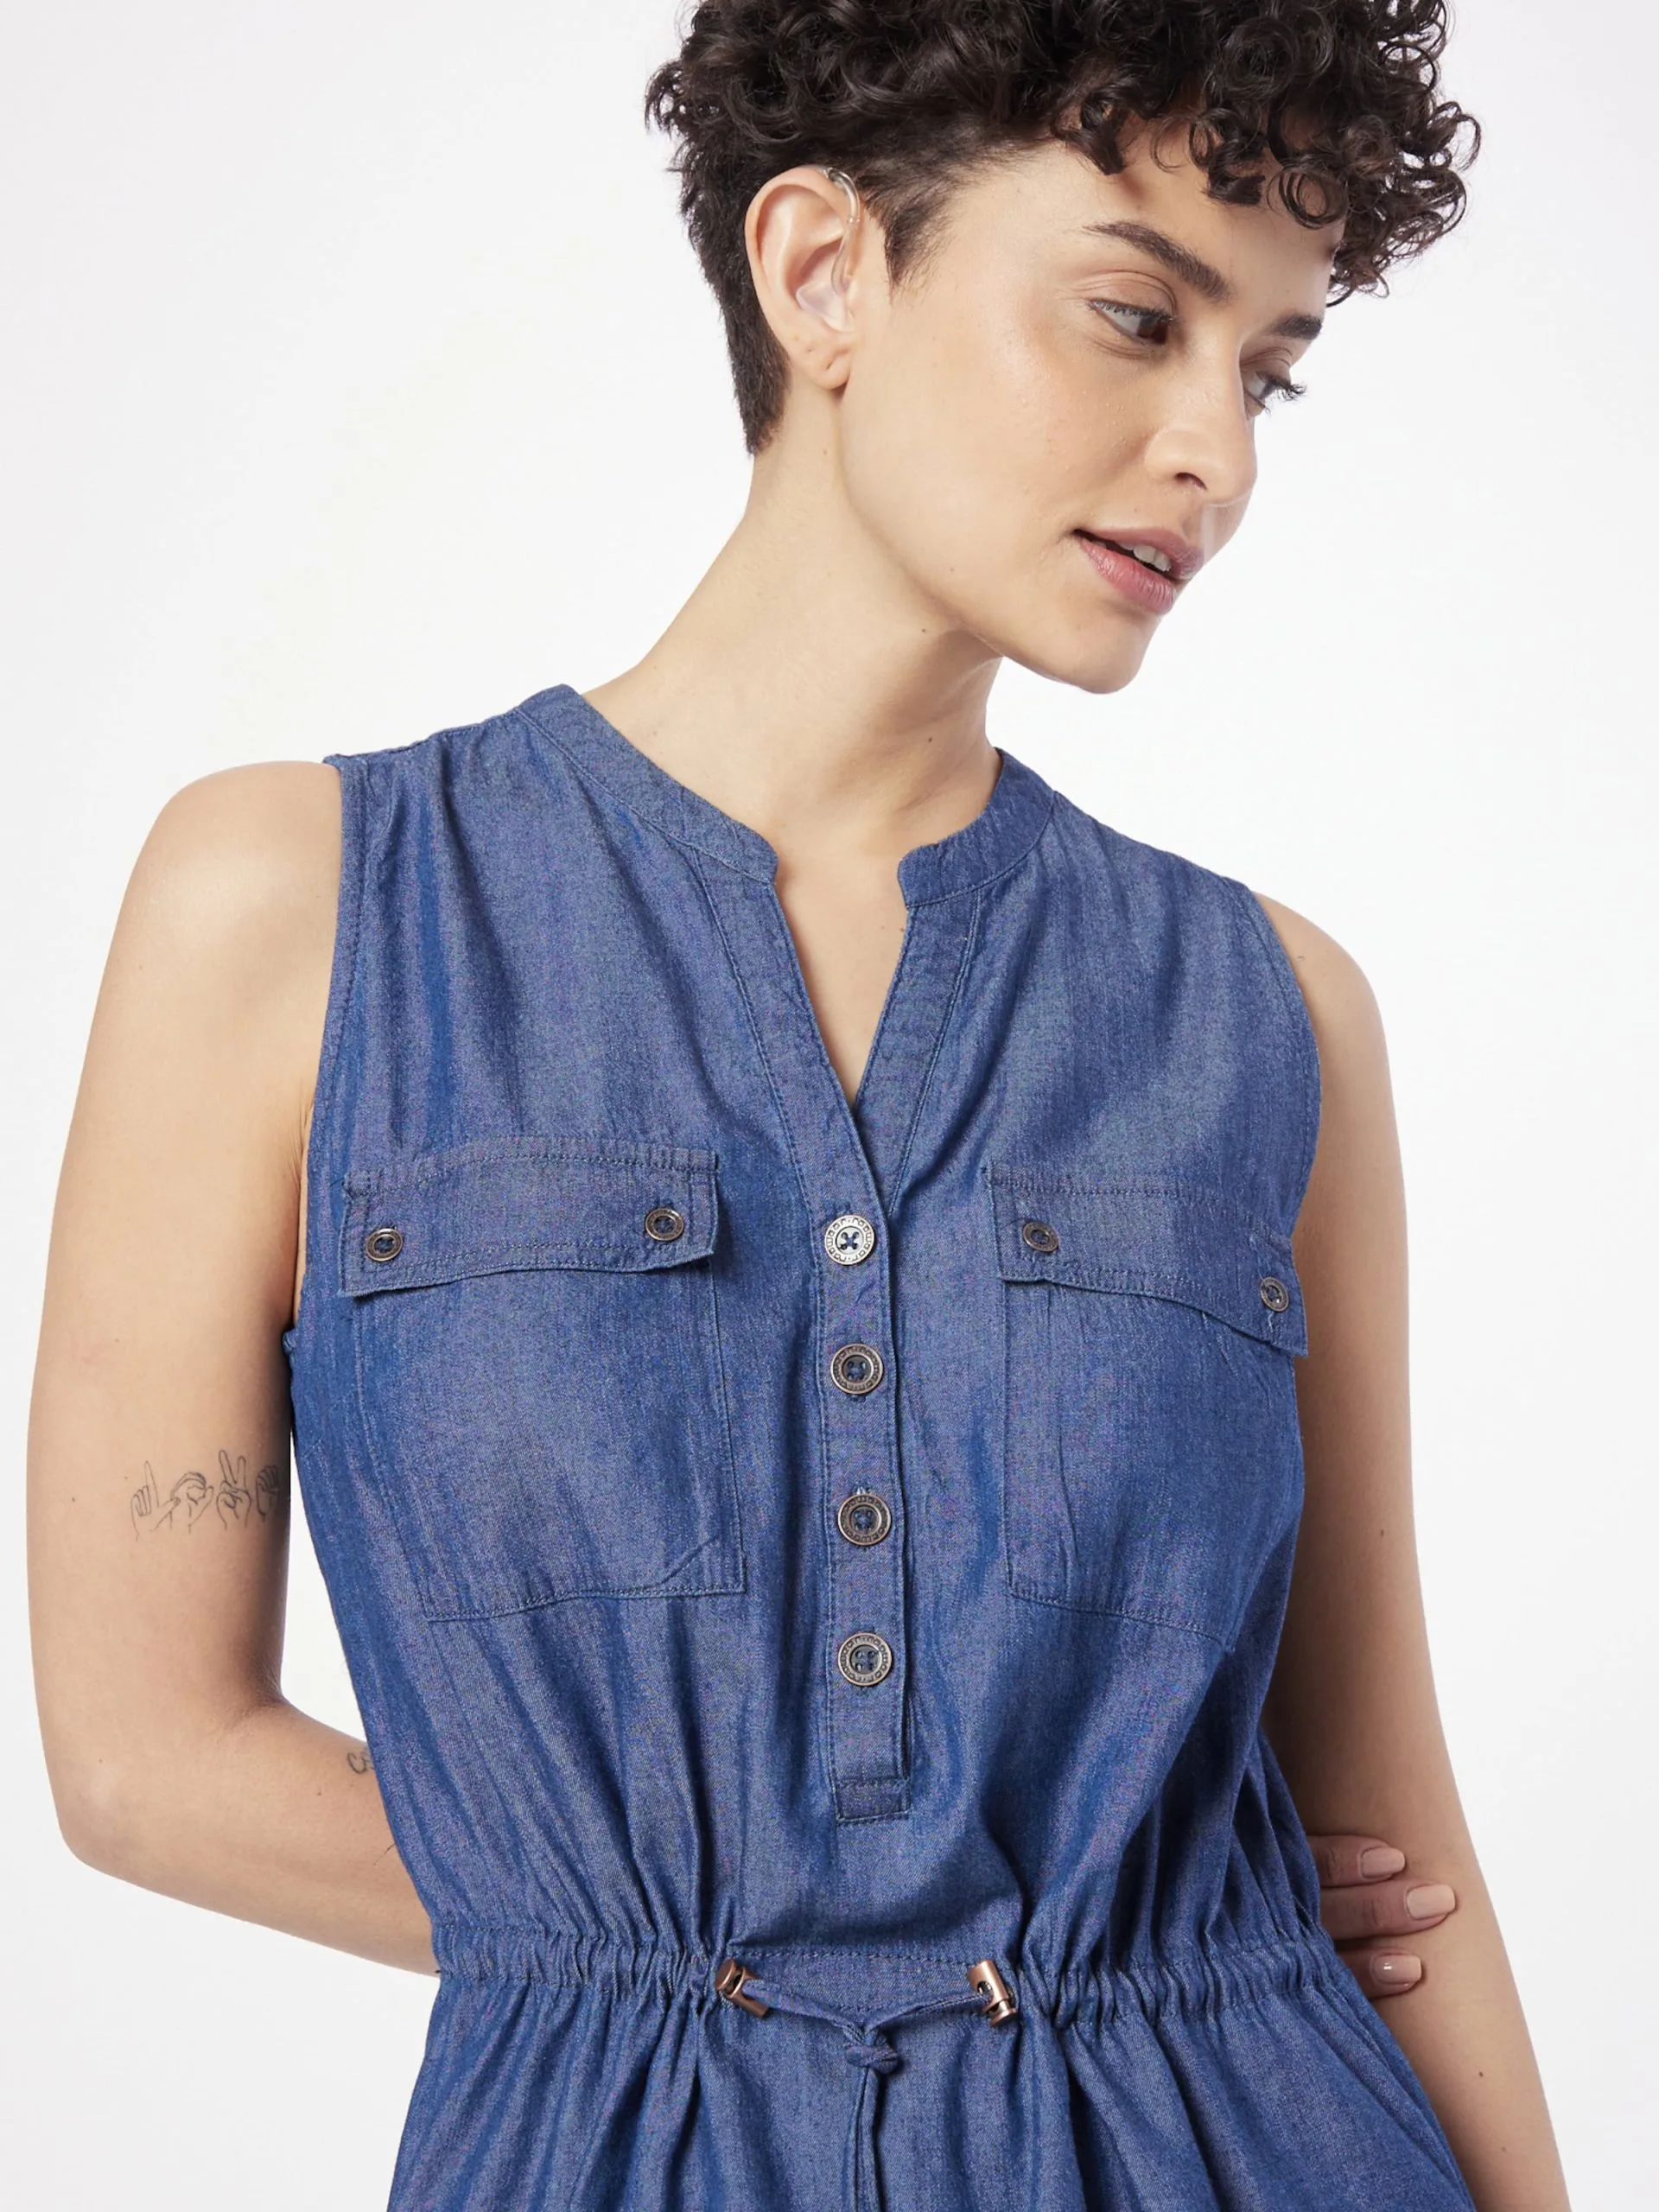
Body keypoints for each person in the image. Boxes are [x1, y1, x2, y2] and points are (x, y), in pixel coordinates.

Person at [26, 3, 1570, 2207]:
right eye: (1140, 319)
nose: (1218, 454)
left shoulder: (1271, 1011)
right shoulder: (307, 904)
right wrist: (772, 1962)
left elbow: (1388, 1825)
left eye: (1272, 369)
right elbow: (142, 1760)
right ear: (824, 269)